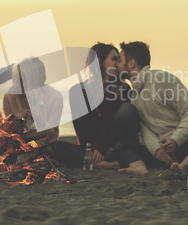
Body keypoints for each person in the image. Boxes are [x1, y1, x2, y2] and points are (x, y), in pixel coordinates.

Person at [116, 41, 188, 171]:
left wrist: (175, 139)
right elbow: (145, 129)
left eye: (119, 60)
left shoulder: (161, 79)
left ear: (131, 63)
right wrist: (156, 150)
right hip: (164, 154)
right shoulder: (133, 94)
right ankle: (140, 168)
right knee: (123, 145)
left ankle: (186, 165)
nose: (116, 65)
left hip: (186, 144)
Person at [51, 43, 147, 173]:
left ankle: (102, 160)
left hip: (115, 147)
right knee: (54, 147)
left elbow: (111, 123)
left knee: (126, 109)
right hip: (90, 150)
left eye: (119, 59)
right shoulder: (78, 91)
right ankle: (98, 163)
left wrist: (100, 149)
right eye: (114, 59)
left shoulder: (123, 88)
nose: (118, 63)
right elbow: (80, 128)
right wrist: (91, 150)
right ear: (99, 61)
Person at [3, 57, 63, 144]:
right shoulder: (10, 96)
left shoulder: (54, 97)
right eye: (17, 80)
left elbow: (53, 136)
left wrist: (42, 123)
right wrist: (17, 120)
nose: (20, 85)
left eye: (24, 80)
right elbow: (7, 133)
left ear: (38, 80)